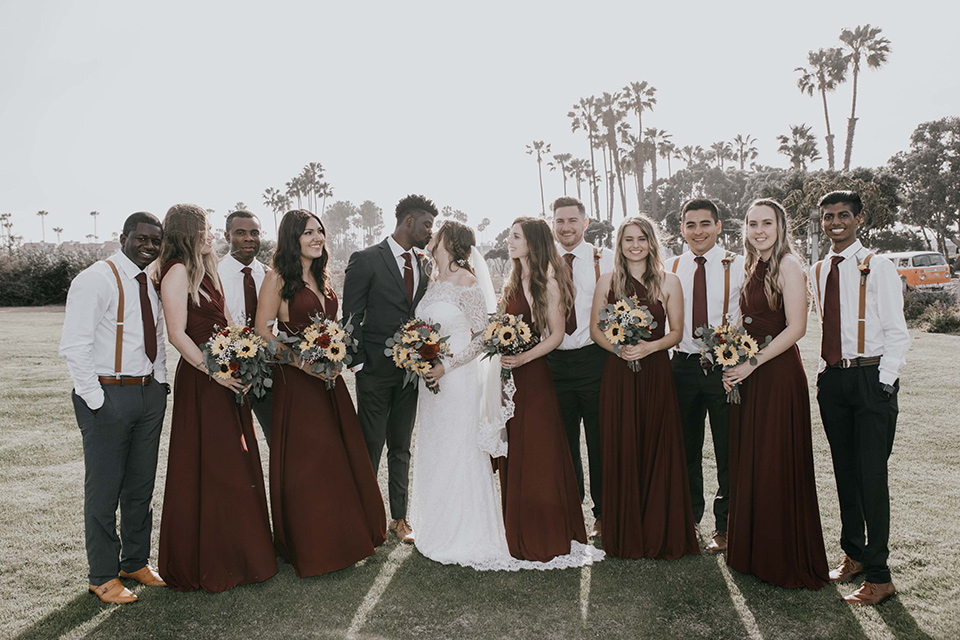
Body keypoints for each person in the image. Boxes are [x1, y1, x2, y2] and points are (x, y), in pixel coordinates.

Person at [255, 209, 386, 576]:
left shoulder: (323, 277)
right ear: (292, 237)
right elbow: (263, 334)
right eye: (308, 232)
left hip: (329, 383)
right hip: (297, 384)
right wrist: (302, 363)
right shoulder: (277, 277)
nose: (317, 238)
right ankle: (313, 546)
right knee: (309, 464)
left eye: (320, 232)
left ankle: (344, 537)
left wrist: (335, 353)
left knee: (337, 459)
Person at [157, 203, 277, 592]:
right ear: (190, 231)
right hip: (203, 380)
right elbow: (178, 334)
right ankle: (214, 558)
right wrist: (214, 372)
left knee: (235, 463)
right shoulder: (175, 271)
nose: (212, 235)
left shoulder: (206, 272)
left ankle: (241, 552)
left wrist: (241, 358)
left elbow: (229, 324)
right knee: (213, 464)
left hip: (227, 375)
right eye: (206, 229)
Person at [60, 212, 168, 604]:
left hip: (146, 395)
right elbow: (75, 346)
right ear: (123, 237)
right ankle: (103, 576)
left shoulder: (149, 283)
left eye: (156, 241)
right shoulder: (96, 279)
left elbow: (155, 335)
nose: (150, 246)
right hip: (108, 395)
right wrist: (97, 401)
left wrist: (159, 385)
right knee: (104, 491)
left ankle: (135, 561)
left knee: (140, 487)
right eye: (142, 238)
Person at [722, 199, 829, 589]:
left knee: (774, 459)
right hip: (750, 373)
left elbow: (796, 327)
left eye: (767, 223)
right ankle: (752, 552)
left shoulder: (788, 264)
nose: (759, 230)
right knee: (752, 458)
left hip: (777, 374)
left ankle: (781, 556)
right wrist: (730, 363)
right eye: (752, 224)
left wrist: (751, 363)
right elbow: (743, 322)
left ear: (780, 226)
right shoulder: (752, 265)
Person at [810, 190, 909, 605]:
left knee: (871, 477)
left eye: (844, 215)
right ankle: (852, 555)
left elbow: (897, 331)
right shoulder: (817, 269)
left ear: (857, 219)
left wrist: (884, 383)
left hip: (871, 379)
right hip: (834, 380)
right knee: (845, 474)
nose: (835, 222)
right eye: (828, 216)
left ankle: (880, 576)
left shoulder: (878, 265)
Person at [590, 216, 699, 560]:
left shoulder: (670, 281)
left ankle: (658, 529)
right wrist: (618, 348)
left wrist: (648, 348)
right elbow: (596, 330)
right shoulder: (607, 280)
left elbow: (677, 332)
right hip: (617, 373)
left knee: (655, 443)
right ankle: (623, 530)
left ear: (652, 242)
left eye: (641, 238)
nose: (634, 245)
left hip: (655, 372)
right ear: (619, 245)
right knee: (621, 445)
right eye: (627, 240)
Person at [498, 217, 595, 563]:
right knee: (515, 446)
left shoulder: (548, 281)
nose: (509, 241)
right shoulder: (512, 280)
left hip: (534, 374)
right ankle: (517, 524)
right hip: (511, 376)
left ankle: (545, 529)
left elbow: (555, 335)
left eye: (515, 236)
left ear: (533, 242)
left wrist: (523, 359)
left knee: (537, 449)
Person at [342, 194, 437, 544]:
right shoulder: (365, 260)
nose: (431, 231)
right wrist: (359, 363)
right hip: (374, 372)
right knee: (370, 445)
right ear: (408, 221)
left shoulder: (426, 265)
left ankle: (400, 519)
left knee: (401, 447)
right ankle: (363, 517)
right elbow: (351, 315)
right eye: (427, 224)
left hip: (411, 375)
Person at [669, 198, 745, 553]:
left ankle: (726, 526)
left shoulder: (739, 266)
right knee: (684, 448)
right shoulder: (670, 267)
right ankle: (688, 521)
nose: (697, 231)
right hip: (682, 366)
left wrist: (739, 360)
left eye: (704, 224)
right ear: (681, 229)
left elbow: (749, 318)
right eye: (690, 225)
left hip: (724, 368)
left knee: (729, 448)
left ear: (718, 226)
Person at [547, 196, 612, 538]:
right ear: (552, 224)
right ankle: (572, 512)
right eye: (560, 221)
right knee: (563, 440)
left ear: (585, 223)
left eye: (572, 220)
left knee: (600, 440)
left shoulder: (608, 259)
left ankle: (603, 512)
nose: (566, 227)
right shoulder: (542, 262)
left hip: (594, 359)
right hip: (554, 361)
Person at [218, 210, 273, 443]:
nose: (249, 238)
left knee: (280, 439)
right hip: (228, 373)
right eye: (241, 233)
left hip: (268, 372)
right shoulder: (214, 276)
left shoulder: (270, 276)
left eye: (254, 233)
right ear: (227, 235)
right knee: (230, 443)